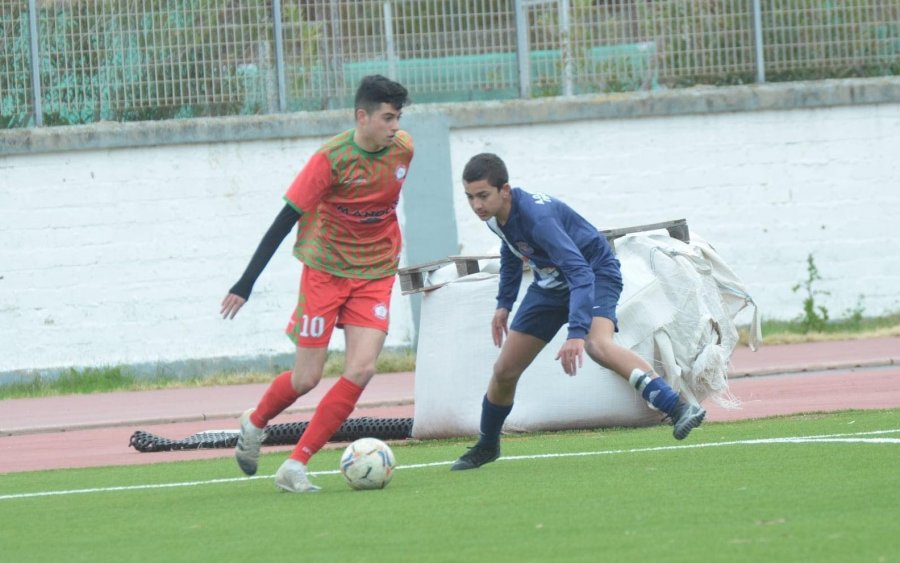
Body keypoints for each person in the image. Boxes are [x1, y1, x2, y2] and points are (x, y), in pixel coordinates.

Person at [451, 153, 705, 471]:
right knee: (504, 370)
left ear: (505, 190)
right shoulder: (493, 216)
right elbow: (511, 250)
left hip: (595, 273)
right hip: (551, 285)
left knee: (597, 346)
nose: (476, 205)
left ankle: (678, 408)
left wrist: (575, 332)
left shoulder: (538, 219)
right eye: (470, 197)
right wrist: (504, 303)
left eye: (483, 196)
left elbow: (581, 273)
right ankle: (487, 445)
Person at [220, 75, 413, 492]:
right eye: (387, 118)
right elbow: (284, 221)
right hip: (324, 273)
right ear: (362, 117)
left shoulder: (404, 150)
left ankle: (295, 464)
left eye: (397, 118)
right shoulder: (329, 160)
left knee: (361, 369)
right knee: (306, 378)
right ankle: (254, 422)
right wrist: (246, 282)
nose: (395, 127)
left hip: (375, 273)